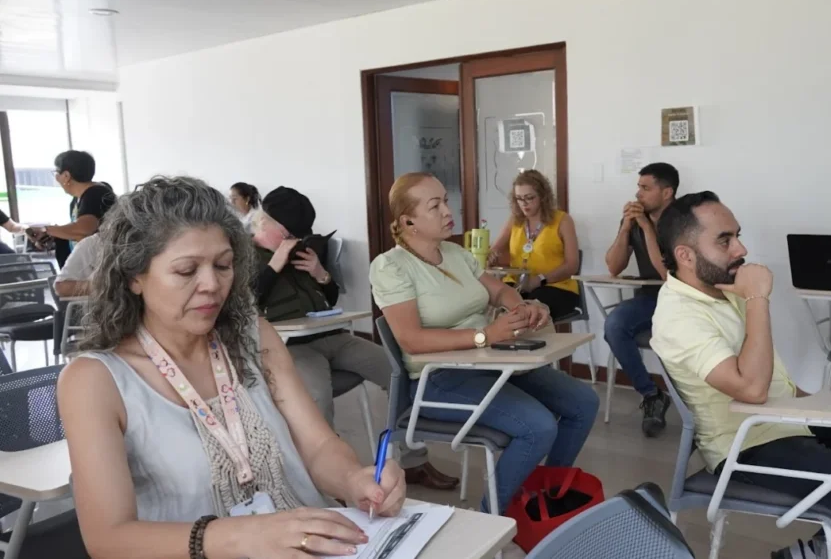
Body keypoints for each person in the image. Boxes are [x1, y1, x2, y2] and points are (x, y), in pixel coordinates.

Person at [57, 176, 405, 559]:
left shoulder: (254, 337)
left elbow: (318, 445)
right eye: (186, 271)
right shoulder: (96, 380)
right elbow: (108, 538)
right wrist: (243, 536)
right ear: (134, 277)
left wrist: (354, 479)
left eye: (223, 265)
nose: (212, 284)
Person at [651, 191, 831, 559]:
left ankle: (815, 552)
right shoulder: (678, 316)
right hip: (747, 442)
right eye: (724, 240)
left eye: (737, 235)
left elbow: (774, 379)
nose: (741, 249)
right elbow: (752, 389)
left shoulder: (724, 289)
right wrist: (758, 299)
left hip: (785, 418)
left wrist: (822, 406)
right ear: (685, 255)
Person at [369, 172, 598, 514]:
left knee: (583, 401)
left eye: (446, 201)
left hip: (489, 361)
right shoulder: (390, 267)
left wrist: (522, 307)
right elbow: (411, 340)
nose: (448, 211)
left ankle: (543, 494)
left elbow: (500, 290)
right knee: (538, 426)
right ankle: (491, 516)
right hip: (438, 379)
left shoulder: (455, 253)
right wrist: (485, 335)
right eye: (435, 206)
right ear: (408, 221)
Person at [252, 186, 460, 491]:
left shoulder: (299, 253)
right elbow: (247, 302)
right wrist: (274, 265)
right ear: (265, 224)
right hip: (291, 348)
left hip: (331, 336)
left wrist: (321, 275)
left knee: (396, 370)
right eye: (288, 236)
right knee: (315, 395)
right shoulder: (245, 257)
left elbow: (330, 297)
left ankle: (414, 461)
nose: (293, 242)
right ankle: (326, 481)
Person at [603, 162, 678, 437]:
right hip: (649, 298)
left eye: (645, 188)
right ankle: (651, 394)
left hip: (680, 299)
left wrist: (647, 228)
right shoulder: (635, 220)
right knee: (614, 325)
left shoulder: (683, 219)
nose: (638, 194)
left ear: (667, 192)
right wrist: (626, 228)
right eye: (638, 187)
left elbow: (667, 274)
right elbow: (614, 266)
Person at [487, 170, 581, 320]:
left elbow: (572, 265)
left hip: (555, 287)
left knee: (527, 311)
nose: (524, 204)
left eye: (529, 198)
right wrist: (490, 257)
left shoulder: (563, 221)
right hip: (516, 285)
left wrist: (540, 279)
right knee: (489, 307)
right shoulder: (515, 220)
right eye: (519, 198)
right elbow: (494, 250)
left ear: (543, 196)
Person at [39, 150, 116, 268]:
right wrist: (54, 235)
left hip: (101, 268)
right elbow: (80, 232)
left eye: (56, 173)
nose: (56, 178)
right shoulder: (78, 198)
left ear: (66, 176)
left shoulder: (96, 193)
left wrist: (47, 230)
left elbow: (85, 229)